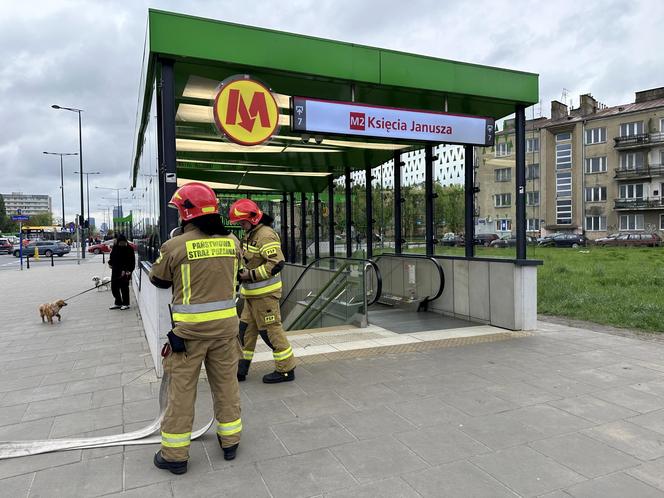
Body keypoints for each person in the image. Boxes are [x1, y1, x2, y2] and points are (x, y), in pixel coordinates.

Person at [149, 182, 243, 475]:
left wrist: (175, 243)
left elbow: (158, 280)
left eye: (179, 210)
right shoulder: (233, 242)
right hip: (226, 331)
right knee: (227, 385)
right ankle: (230, 441)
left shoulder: (175, 245)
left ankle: (175, 456)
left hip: (188, 336)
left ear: (186, 213)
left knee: (182, 392)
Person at [229, 198, 295, 384]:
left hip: (265, 296)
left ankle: (286, 370)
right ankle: (240, 370)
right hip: (252, 296)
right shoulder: (252, 233)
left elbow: (276, 263)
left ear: (253, 219)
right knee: (245, 333)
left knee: (271, 332)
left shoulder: (265, 235)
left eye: (242, 222)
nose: (241, 226)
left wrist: (249, 275)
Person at [108, 234, 135, 310]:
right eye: (120, 242)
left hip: (125, 271)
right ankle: (118, 303)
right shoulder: (115, 248)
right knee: (114, 287)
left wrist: (129, 270)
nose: (122, 244)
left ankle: (126, 303)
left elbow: (132, 261)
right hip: (115, 270)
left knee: (124, 288)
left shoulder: (129, 249)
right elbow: (112, 257)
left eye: (123, 242)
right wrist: (110, 263)